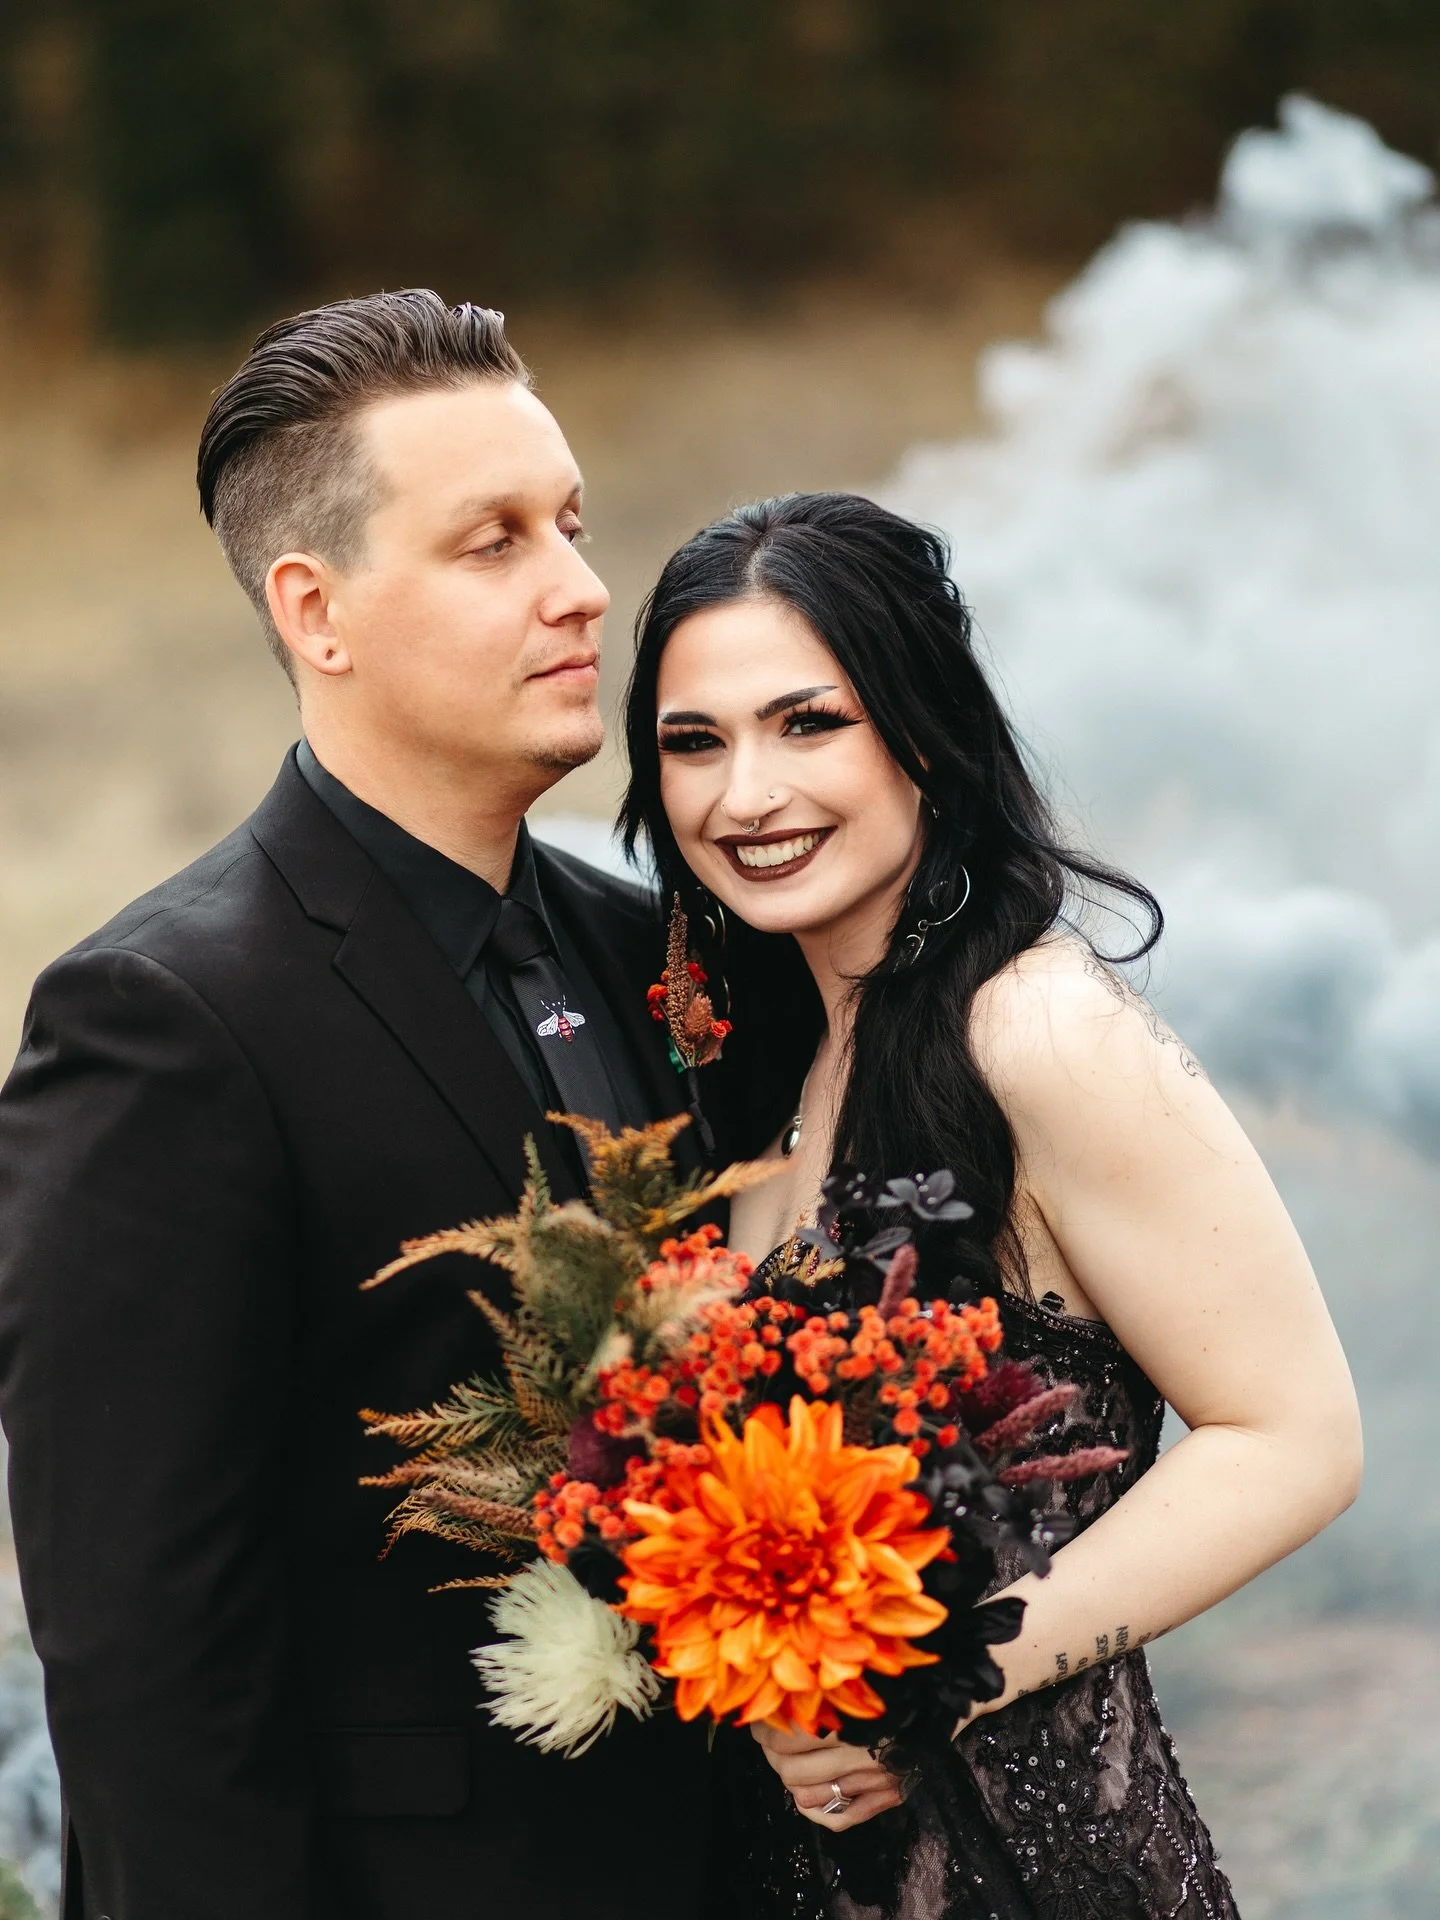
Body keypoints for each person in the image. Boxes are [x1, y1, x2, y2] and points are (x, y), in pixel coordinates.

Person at [0, 291, 710, 1920]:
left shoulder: (653, 950)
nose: (582, 587)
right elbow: (147, 1655)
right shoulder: (159, 1027)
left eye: (572, 525)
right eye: (494, 542)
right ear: (315, 611)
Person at [620, 491, 1364, 1919]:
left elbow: (1295, 1438)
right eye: (693, 743)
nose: (745, 795)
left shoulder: (1039, 1032)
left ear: (926, 734)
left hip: (1039, 1874)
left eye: (808, 723)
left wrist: (926, 1682)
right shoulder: (778, 1070)